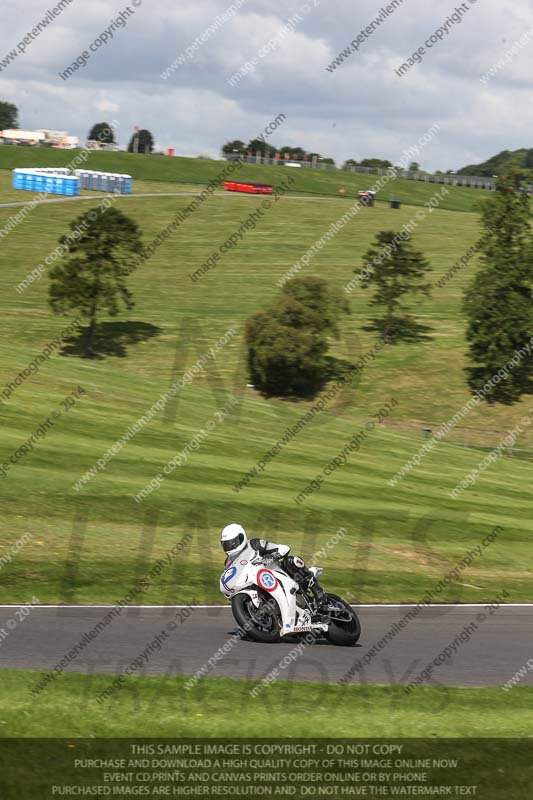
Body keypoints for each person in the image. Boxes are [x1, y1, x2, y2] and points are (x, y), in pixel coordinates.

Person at [220, 523, 325, 602]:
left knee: (292, 561)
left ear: (241, 538)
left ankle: (317, 590)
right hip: (255, 584)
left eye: (232, 544)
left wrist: (272, 556)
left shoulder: (254, 544)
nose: (229, 548)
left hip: (276, 574)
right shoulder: (228, 563)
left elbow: (284, 548)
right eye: (226, 545)